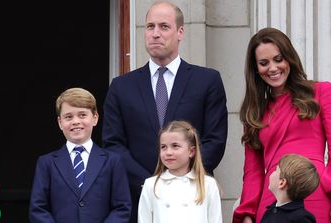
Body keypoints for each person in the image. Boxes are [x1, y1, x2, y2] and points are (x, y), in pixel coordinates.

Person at [102, 1, 228, 222]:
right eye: (150, 27)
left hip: (193, 200)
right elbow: (113, 145)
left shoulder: (206, 81)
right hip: (138, 199)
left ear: (180, 32)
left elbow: (214, 141)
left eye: (163, 26)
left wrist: (180, 180)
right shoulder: (121, 86)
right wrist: (151, 184)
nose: (155, 34)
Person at [232, 27, 331, 223]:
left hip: (314, 193)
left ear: (289, 59)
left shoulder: (320, 92)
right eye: (264, 63)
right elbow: (253, 172)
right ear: (256, 69)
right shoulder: (254, 113)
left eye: (278, 59)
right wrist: (248, 215)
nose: (273, 68)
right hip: (273, 201)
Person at [29, 88, 132, 223]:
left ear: (95, 118)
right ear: (60, 122)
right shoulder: (46, 163)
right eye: (68, 117)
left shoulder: (112, 161)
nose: (76, 121)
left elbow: (122, 207)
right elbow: (38, 208)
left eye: (82, 115)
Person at [138, 120, 222, 223]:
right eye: (163, 147)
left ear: (191, 151)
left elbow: (215, 220)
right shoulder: (151, 185)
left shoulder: (208, 184)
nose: (168, 152)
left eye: (175, 146)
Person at [261, 154, 320, 223]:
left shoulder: (301, 218)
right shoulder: (270, 211)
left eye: (276, 170)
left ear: (282, 183)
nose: (272, 172)